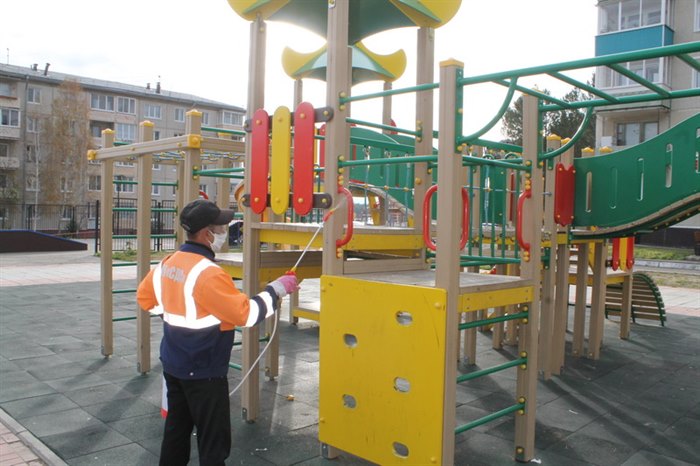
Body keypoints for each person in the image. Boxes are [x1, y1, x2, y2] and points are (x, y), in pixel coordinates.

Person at [136, 199, 298, 466]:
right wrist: (277, 289)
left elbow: (145, 298)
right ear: (207, 234)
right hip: (204, 370)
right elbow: (246, 315)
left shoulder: (168, 263)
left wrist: (173, 315)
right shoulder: (209, 273)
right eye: (221, 227)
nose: (225, 231)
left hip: (174, 363)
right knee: (214, 442)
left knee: (176, 431)